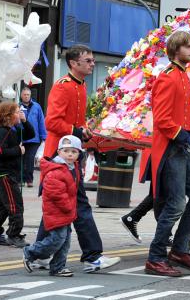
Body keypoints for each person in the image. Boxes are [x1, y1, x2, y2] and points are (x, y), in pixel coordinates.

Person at [34, 44, 119, 273]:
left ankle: (38, 253)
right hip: (59, 155)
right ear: (73, 63)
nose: (92, 64)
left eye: (92, 60)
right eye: (88, 60)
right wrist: (77, 131)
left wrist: (85, 131)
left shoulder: (80, 86)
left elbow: (74, 125)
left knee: (58, 205)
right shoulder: (63, 87)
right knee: (80, 205)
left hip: (71, 155)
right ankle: (92, 256)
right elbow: (52, 123)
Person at [145, 31, 190, 277]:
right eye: (188, 46)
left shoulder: (182, 76)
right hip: (171, 148)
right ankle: (155, 257)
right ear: (175, 49)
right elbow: (162, 120)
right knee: (175, 205)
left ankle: (180, 250)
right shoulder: (167, 77)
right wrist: (187, 139)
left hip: (183, 146)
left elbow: (185, 116)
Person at [23, 135, 83, 277]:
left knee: (65, 242)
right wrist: (68, 207)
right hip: (57, 211)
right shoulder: (56, 170)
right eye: (66, 151)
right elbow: (55, 193)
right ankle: (30, 252)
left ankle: (57, 267)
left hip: (66, 212)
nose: (70, 154)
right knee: (56, 240)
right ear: (59, 152)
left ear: (79, 154)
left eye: (74, 152)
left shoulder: (72, 167)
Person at [0, 101, 34, 248]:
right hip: (5, 173)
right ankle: (14, 235)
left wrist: (25, 121)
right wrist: (18, 151)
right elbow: (1, 150)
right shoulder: (2, 131)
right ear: (7, 116)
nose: (19, 114)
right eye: (16, 112)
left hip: (10, 172)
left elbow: (31, 134)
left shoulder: (14, 129)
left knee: (1, 206)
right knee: (15, 205)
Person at [19, 86, 47, 188]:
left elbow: (41, 121)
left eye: (28, 95)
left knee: (30, 159)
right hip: (21, 137)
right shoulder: (18, 107)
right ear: (21, 95)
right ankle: (20, 179)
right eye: (25, 95)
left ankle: (29, 180)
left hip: (34, 138)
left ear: (30, 95)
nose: (26, 97)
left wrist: (44, 136)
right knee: (21, 159)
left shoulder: (37, 106)